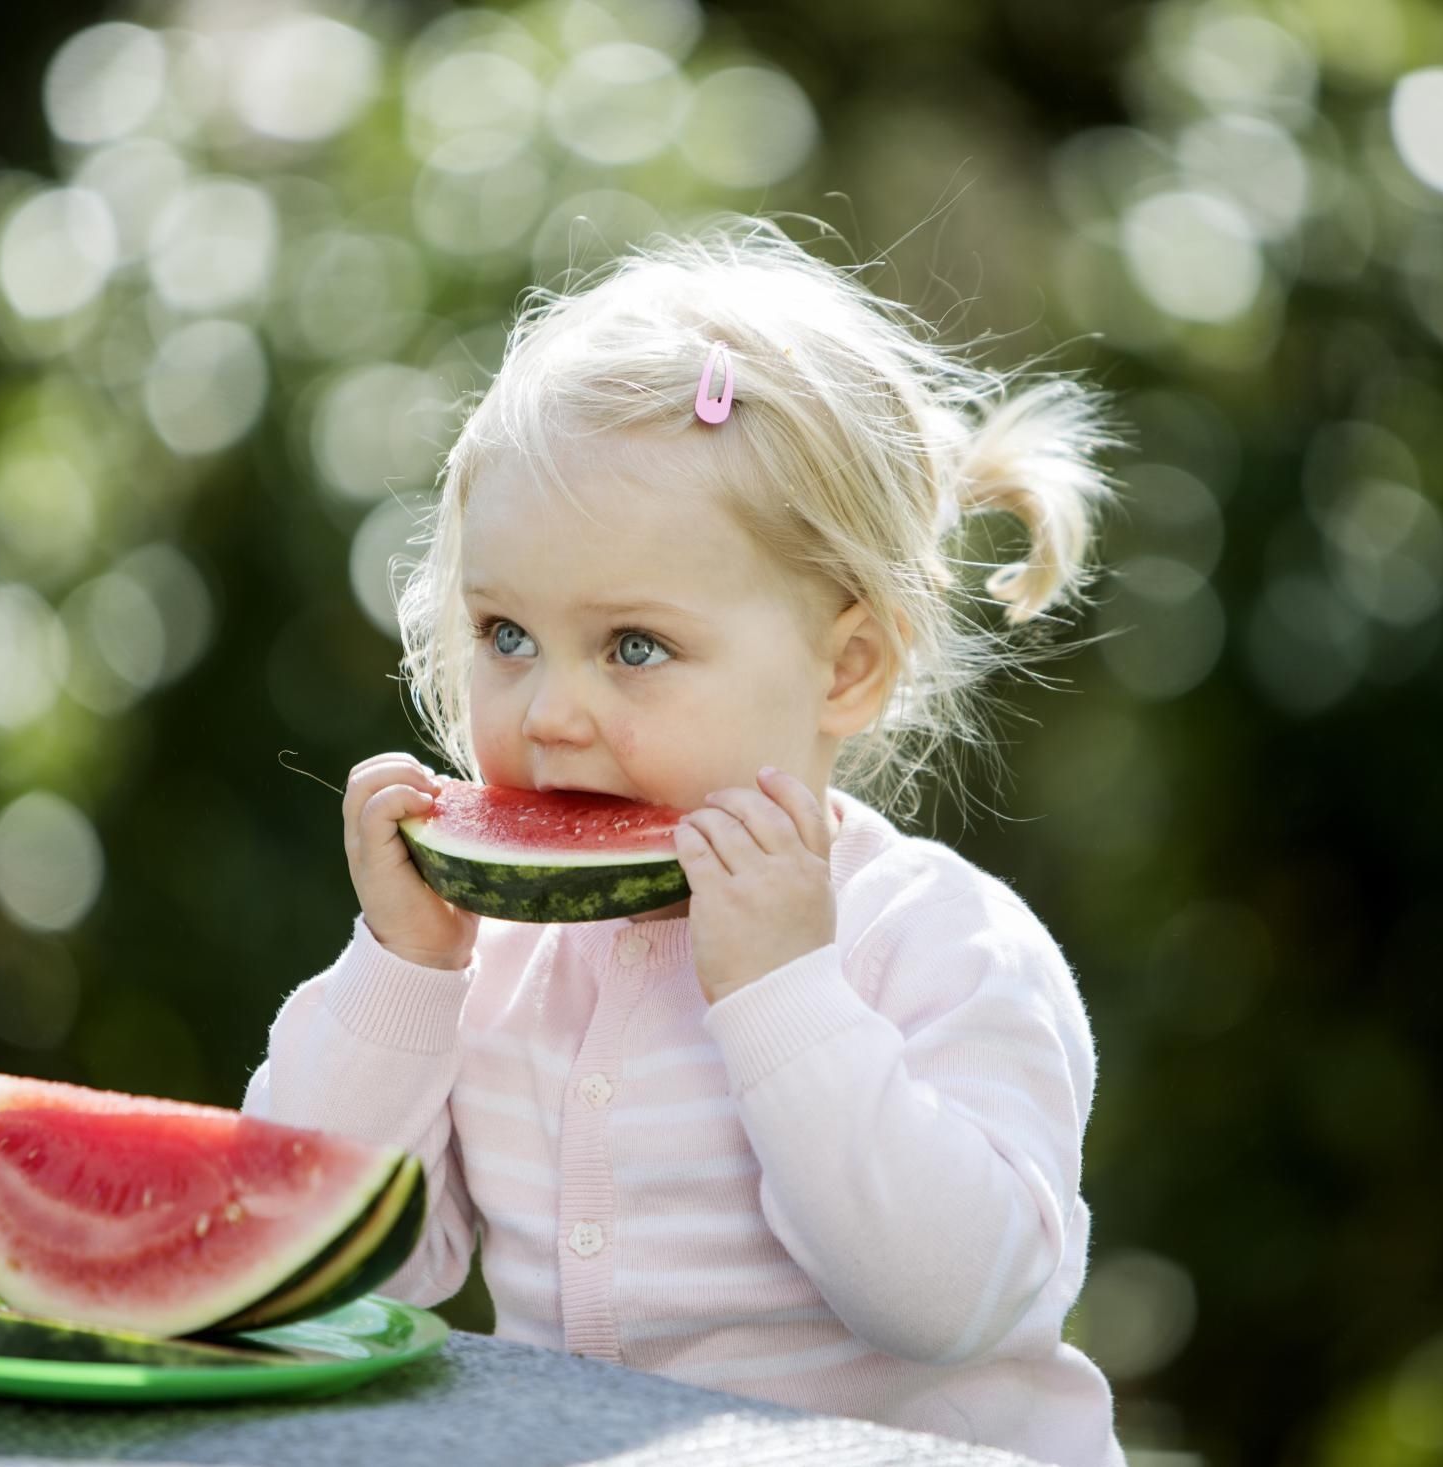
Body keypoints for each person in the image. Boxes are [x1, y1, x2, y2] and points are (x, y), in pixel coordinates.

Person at [244, 214, 1126, 1467]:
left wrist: (782, 994)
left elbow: (947, 1304)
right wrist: (402, 969)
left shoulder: (934, 942)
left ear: (848, 667)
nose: (551, 713)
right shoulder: (495, 958)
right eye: (504, 634)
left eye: (635, 648)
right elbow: (316, 1256)